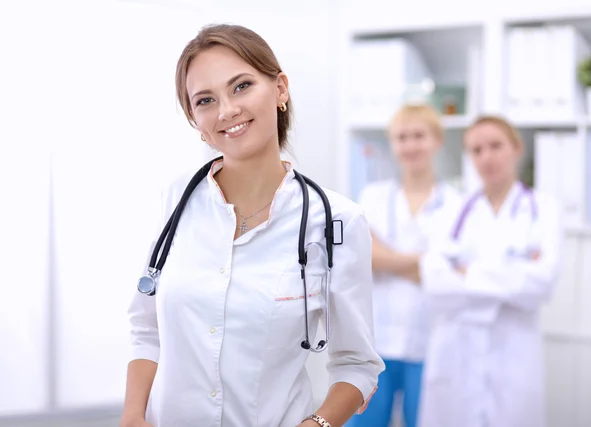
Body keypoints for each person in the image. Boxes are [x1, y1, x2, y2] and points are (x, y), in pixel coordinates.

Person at [118, 24, 385, 427]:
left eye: (241, 86)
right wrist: (132, 415)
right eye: (205, 100)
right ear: (195, 119)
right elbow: (146, 330)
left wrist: (316, 425)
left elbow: (357, 364)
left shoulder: (335, 221)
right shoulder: (176, 201)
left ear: (279, 89)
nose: (226, 110)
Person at [418, 116, 562, 427]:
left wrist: (466, 272)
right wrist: (510, 276)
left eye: (495, 146)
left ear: (516, 148)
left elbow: (542, 282)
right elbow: (435, 281)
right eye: (476, 150)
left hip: (514, 352)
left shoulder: (543, 209)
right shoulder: (452, 211)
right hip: (457, 352)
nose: (487, 157)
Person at [345, 104, 462, 427]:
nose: (410, 145)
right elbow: (363, 256)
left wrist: (387, 258)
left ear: (437, 140)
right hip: (377, 341)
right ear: (392, 144)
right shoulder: (373, 196)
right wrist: (431, 264)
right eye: (402, 138)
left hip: (430, 340)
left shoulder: (457, 204)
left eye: (419, 136)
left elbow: (456, 275)